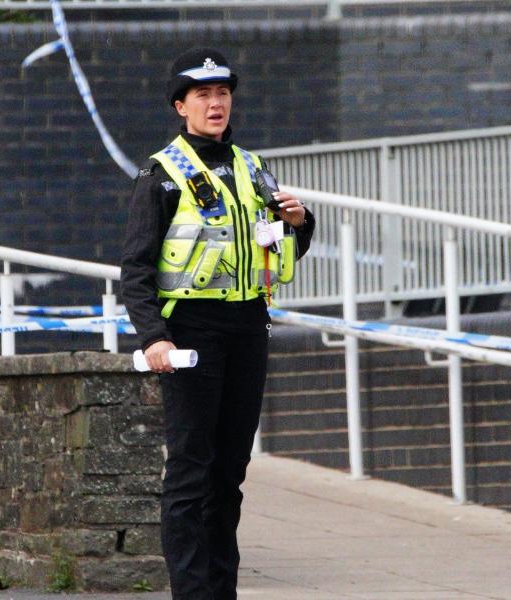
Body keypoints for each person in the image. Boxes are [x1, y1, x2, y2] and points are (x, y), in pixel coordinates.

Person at [120, 48, 315, 599]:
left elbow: (282, 246)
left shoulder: (253, 166)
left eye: (222, 94)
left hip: (249, 324)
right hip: (192, 331)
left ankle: (220, 590)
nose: (215, 104)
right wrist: (154, 337)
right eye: (203, 95)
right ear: (181, 106)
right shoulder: (160, 173)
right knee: (191, 470)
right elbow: (135, 267)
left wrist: (300, 222)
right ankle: (192, 591)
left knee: (230, 471)